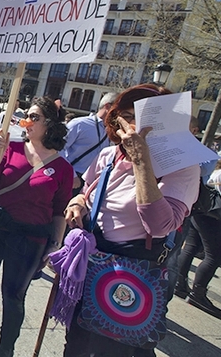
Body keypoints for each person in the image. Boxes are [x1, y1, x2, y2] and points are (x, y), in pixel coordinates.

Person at [61, 84, 199, 357]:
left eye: (141, 116)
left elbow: (160, 225)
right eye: (124, 115)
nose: (129, 124)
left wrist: (141, 161)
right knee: (75, 347)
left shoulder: (183, 165)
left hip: (132, 276)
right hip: (93, 269)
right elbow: (87, 194)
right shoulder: (107, 156)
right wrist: (77, 203)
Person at [0, 96, 72, 357]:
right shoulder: (12, 147)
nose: (27, 122)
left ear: (50, 124)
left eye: (35, 117)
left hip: (30, 239)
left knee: (14, 294)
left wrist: (54, 245)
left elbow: (59, 211)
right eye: (26, 116)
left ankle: (6, 348)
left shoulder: (64, 169)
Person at [174, 155, 221, 319]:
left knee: (191, 247)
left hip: (200, 207)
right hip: (213, 213)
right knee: (214, 256)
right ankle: (197, 294)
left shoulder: (215, 167)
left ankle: (180, 283)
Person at [60, 92, 118, 196]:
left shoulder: (112, 131)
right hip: (72, 178)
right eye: (119, 108)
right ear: (108, 106)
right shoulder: (79, 124)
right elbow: (59, 148)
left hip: (91, 183)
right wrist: (72, 175)